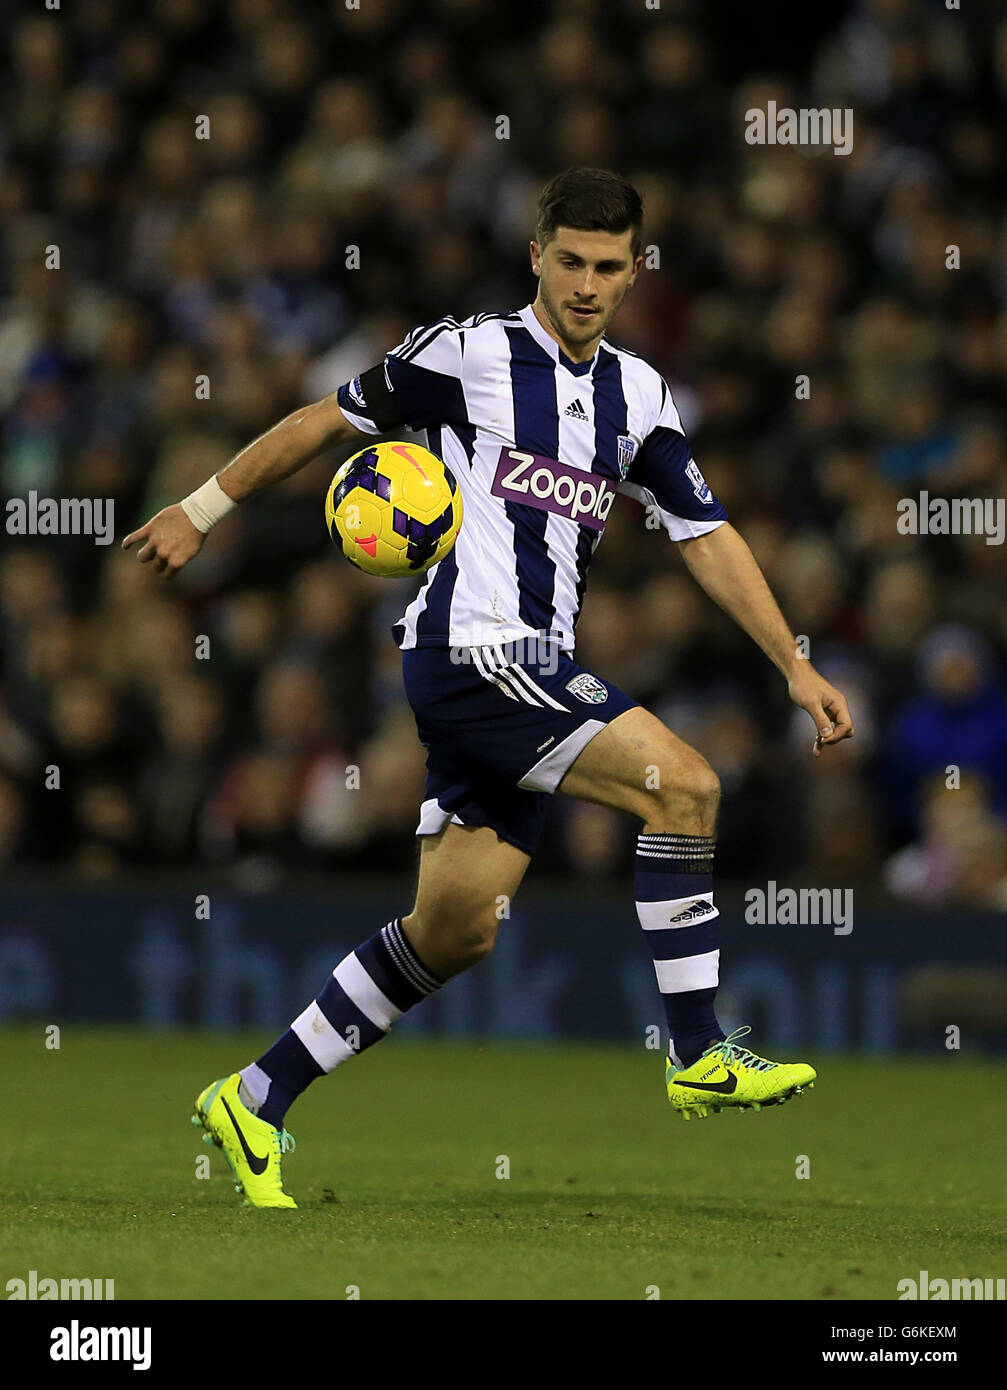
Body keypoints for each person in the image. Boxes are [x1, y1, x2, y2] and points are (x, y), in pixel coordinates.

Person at [124, 168, 853, 1208]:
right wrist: (201, 506)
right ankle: (696, 1051)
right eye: (570, 262)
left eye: (608, 266)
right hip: (474, 649)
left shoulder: (638, 395)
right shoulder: (465, 354)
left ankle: (255, 1094)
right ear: (536, 257)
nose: (588, 284)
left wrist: (790, 659)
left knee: (457, 926)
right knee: (683, 787)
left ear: (634, 269)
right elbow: (324, 422)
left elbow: (705, 533)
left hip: (519, 667)